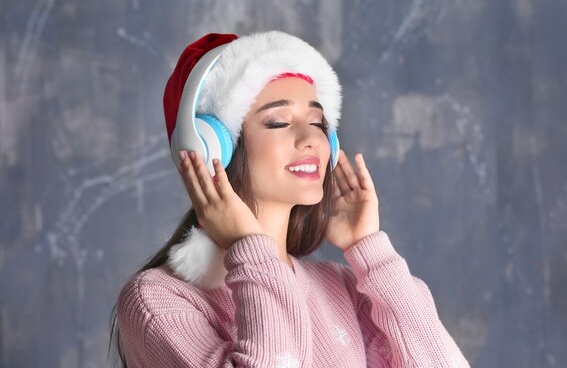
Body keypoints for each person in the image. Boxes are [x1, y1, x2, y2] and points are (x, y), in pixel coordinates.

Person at [109, 31, 471, 367]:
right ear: (210, 148)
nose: (311, 139)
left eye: (317, 122)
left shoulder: (342, 287)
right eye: (279, 122)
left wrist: (372, 253)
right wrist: (251, 247)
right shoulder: (158, 300)